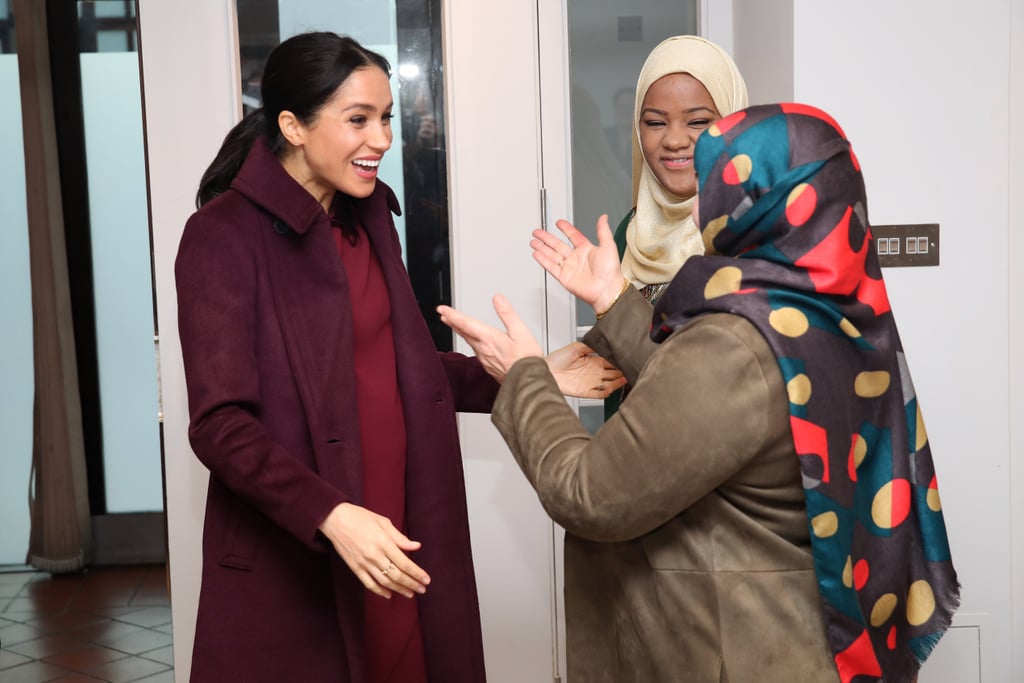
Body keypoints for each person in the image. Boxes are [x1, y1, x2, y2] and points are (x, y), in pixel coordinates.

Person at [438, 103, 959, 682]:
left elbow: (588, 493)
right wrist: (614, 298)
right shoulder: (835, 310)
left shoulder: (739, 340)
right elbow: (717, 415)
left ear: (749, 201)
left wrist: (524, 377)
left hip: (731, 650)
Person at [175, 31, 620, 683]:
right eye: (359, 119)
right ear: (293, 126)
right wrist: (330, 513)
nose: (383, 138)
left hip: (401, 526)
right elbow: (220, 424)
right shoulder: (221, 238)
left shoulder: (369, 222)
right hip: (305, 546)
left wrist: (532, 374)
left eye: (385, 117)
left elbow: (400, 369)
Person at [605, 34, 749, 417]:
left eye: (698, 122)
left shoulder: (755, 235)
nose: (673, 140)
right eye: (655, 122)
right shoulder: (629, 232)